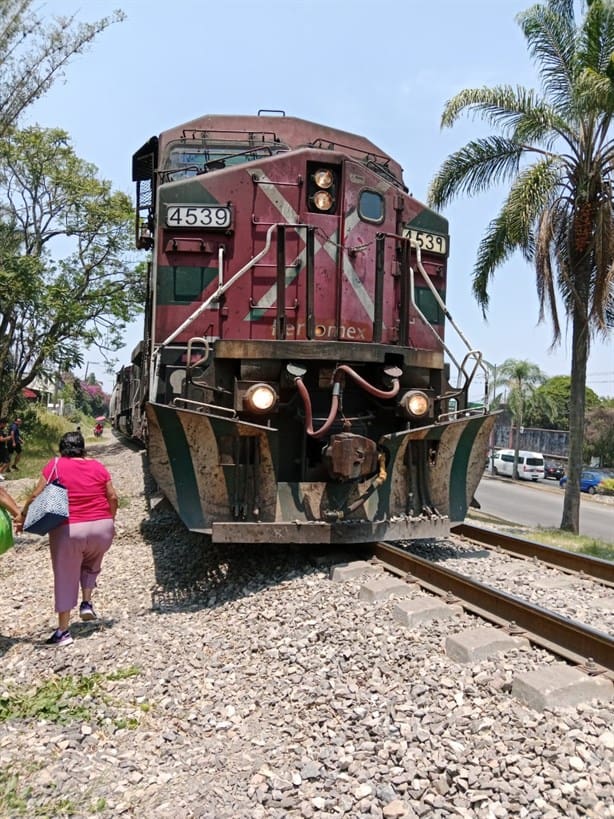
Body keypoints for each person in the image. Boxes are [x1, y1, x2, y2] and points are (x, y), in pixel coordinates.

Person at [15, 431, 118, 646]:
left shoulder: (55, 465)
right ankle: (87, 604)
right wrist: (110, 519)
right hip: (102, 528)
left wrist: (23, 516)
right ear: (83, 448)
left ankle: (63, 632)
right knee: (92, 565)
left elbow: (35, 495)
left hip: (70, 530)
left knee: (66, 576)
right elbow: (113, 496)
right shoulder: (99, 467)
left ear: (62, 449)